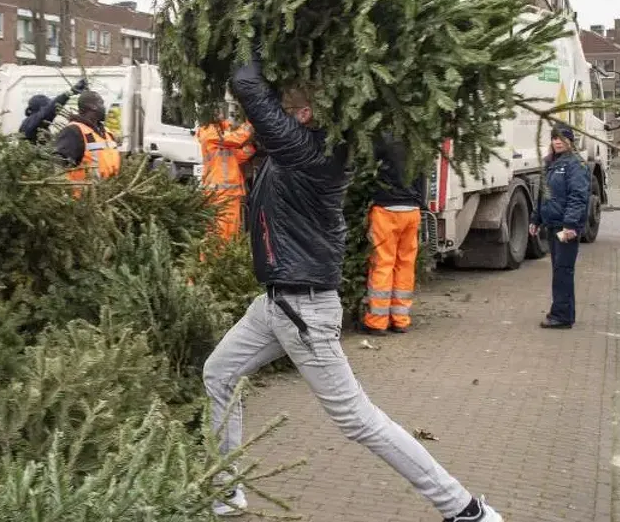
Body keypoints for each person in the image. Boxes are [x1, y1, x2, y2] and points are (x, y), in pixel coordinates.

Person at [202, 57, 502, 521]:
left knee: (357, 419)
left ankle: (464, 509)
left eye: (283, 108)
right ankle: (227, 490)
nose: (267, 117)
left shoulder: (308, 153)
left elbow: (245, 81)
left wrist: (253, 29)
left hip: (303, 309)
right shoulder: (299, 148)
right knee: (219, 373)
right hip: (276, 302)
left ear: (301, 116)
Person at [362, 132, 427, 334]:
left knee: (383, 263)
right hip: (412, 211)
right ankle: (400, 319)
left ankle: (377, 321)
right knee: (406, 264)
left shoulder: (380, 138)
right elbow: (423, 178)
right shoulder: (417, 140)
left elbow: (368, 171)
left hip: (386, 210)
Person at [531, 124, 590, 330]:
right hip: (553, 225)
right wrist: (535, 219)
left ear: (570, 142)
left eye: (562, 138)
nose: (557, 141)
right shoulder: (550, 163)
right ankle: (563, 313)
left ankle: (561, 316)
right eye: (555, 138)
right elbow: (543, 195)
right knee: (560, 271)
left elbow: (578, 197)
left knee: (563, 271)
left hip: (565, 229)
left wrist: (570, 226)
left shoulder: (575, 165)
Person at [196, 114, 257, 243]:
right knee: (220, 231)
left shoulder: (220, 135)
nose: (223, 114)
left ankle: (221, 259)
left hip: (229, 193)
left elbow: (237, 156)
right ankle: (214, 260)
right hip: (220, 193)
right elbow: (237, 139)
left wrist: (253, 147)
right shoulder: (209, 132)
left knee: (231, 230)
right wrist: (252, 121)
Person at [54, 90, 120, 184]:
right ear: (92, 106)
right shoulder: (74, 131)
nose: (104, 107)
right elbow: (59, 163)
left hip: (108, 194)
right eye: (101, 103)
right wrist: (64, 194)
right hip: (84, 196)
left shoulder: (107, 133)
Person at [19, 78, 88, 144]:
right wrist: (69, 93)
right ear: (41, 108)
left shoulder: (34, 123)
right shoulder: (32, 122)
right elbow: (48, 111)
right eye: (47, 106)